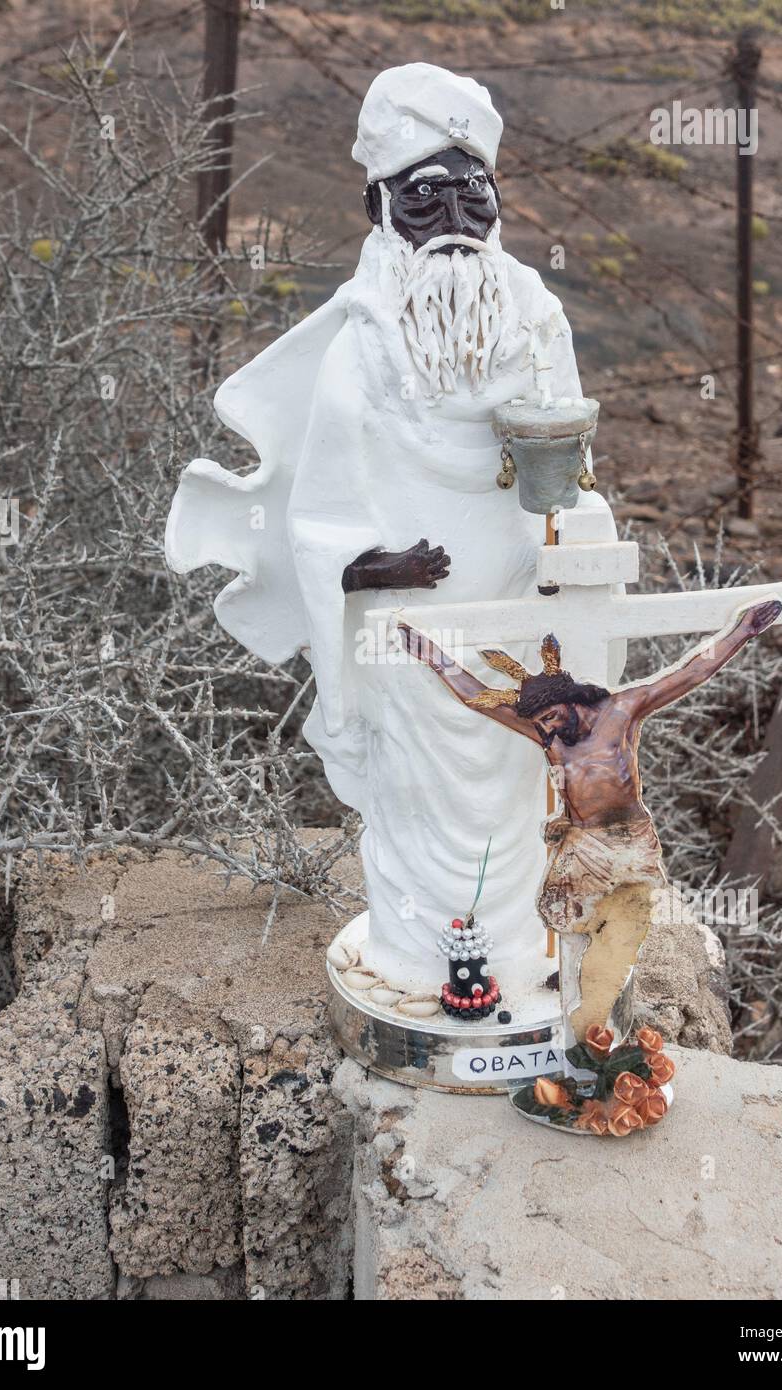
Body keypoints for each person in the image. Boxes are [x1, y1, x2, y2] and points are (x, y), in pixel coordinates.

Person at [166, 64, 595, 990]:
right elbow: (316, 519)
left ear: (495, 200)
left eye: (469, 195)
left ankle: (515, 962)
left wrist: (575, 538)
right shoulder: (362, 343)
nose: (451, 220)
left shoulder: (532, 315)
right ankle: (419, 963)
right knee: (415, 799)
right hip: (408, 641)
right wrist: (374, 569)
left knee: (516, 787)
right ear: (379, 205)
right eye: (423, 198)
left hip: (519, 621)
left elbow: (573, 465)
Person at [399, 599, 782, 1030]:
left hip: (629, 837)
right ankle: (574, 977)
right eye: (539, 723)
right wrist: (435, 659)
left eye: (548, 718)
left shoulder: (621, 712)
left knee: (625, 916)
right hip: (581, 841)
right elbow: (480, 701)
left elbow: (689, 673)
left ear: (568, 701)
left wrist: (742, 631)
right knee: (562, 912)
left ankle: (595, 1011)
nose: (544, 729)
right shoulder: (550, 736)